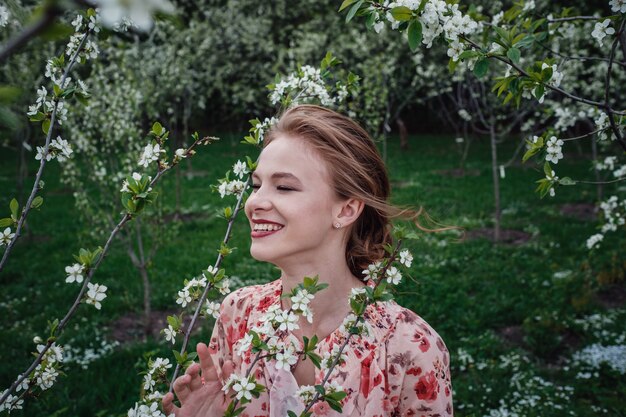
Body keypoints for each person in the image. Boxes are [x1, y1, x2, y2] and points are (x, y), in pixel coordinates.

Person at [162, 105, 452, 417]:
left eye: (284, 187)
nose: (255, 202)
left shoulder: (409, 346)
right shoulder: (239, 314)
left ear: (345, 210)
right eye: (256, 184)